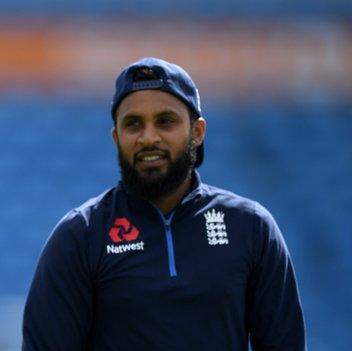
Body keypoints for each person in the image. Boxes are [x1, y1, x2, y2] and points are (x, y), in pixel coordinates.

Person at [22, 57, 305, 350]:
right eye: (134, 124)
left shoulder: (251, 227)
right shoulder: (80, 235)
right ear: (117, 137)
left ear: (197, 132)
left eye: (165, 121)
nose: (149, 137)